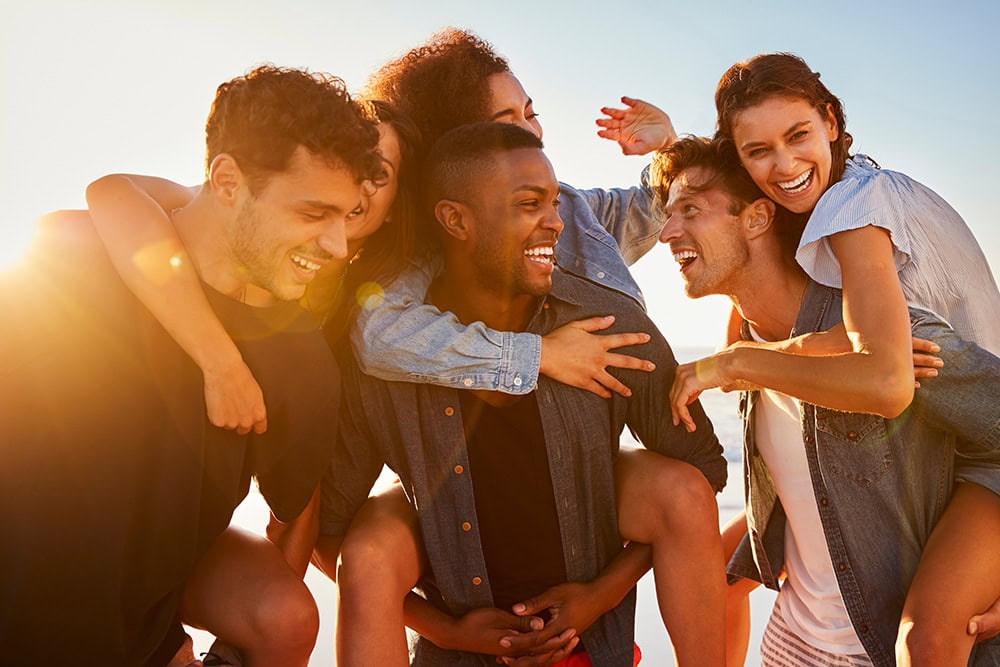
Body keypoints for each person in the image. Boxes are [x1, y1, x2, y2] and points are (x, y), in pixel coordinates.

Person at [0, 65, 383, 667]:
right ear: (227, 181)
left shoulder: (300, 362)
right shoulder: (59, 265)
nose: (336, 246)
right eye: (314, 214)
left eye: (346, 216)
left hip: (140, 634)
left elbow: (295, 518)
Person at [319, 121, 728, 666]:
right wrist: (447, 631)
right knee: (369, 545)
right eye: (528, 203)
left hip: (586, 645)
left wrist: (598, 597)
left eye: (555, 202)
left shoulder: (606, 320)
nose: (556, 222)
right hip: (458, 650)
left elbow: (706, 470)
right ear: (455, 219)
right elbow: (329, 534)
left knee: (681, 488)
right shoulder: (388, 352)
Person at [661, 53, 1000, 666]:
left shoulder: (855, 220)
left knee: (924, 640)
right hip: (808, 630)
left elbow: (889, 375)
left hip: (987, 449)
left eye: (688, 211)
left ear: (831, 122)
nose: (783, 164)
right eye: (758, 152)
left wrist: (737, 363)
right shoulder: (769, 315)